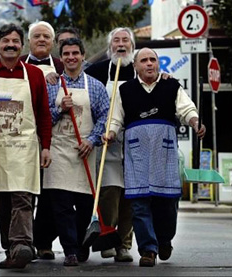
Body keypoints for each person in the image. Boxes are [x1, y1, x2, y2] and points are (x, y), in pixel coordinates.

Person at [104, 47, 206, 267]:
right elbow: (115, 118)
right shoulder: (125, 90)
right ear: (136, 66)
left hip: (164, 153)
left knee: (167, 203)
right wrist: (110, 133)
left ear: (158, 64)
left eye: (153, 60)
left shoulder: (172, 86)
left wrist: (195, 122)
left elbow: (187, 109)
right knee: (139, 204)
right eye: (144, 60)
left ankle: (164, 239)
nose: (149, 63)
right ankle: (148, 249)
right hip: (136, 154)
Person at [0, 23, 52, 270]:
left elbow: (43, 113)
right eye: (6, 41)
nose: (10, 45)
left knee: (23, 197)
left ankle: (22, 244)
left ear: (21, 46)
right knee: (3, 202)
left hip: (25, 147)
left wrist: (45, 146)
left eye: (15, 41)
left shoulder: (34, 75)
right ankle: (10, 248)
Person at [44, 38, 109, 266]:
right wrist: (60, 109)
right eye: (66, 54)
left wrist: (91, 141)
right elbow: (43, 119)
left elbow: (104, 117)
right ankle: (70, 250)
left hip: (84, 153)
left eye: (75, 53)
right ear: (60, 58)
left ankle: (82, 245)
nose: (71, 57)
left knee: (83, 207)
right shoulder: (51, 85)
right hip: (57, 152)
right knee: (62, 207)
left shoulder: (96, 86)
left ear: (83, 56)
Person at [83, 27, 136, 262]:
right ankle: (107, 236)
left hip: (134, 146)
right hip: (107, 146)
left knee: (131, 198)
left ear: (132, 46)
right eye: (117, 40)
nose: (121, 44)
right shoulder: (96, 72)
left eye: (126, 40)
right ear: (110, 46)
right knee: (109, 194)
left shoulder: (141, 70)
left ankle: (124, 245)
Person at [18, 20, 61, 261]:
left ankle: (44, 242)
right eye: (37, 36)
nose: (42, 39)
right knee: (24, 192)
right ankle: (21, 242)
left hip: (56, 142)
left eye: (46, 36)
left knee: (49, 194)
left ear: (53, 42)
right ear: (29, 41)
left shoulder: (64, 65)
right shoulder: (18, 64)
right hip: (21, 138)